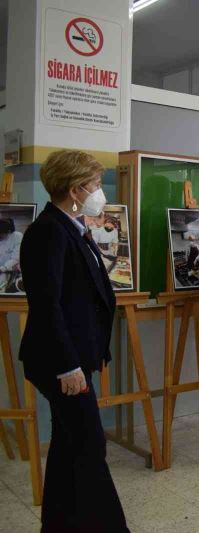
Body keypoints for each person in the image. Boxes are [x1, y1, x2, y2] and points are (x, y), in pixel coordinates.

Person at [19, 150, 128, 532]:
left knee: (68, 447)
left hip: (79, 356)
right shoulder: (49, 231)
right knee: (89, 446)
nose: (100, 191)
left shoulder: (73, 226)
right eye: (96, 184)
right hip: (61, 362)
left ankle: (58, 524)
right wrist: (68, 366)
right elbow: (48, 306)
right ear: (75, 189)